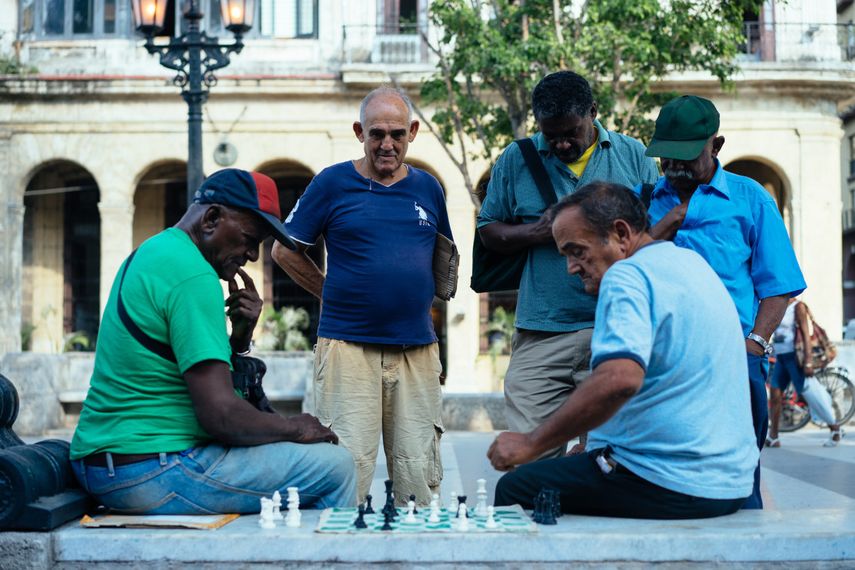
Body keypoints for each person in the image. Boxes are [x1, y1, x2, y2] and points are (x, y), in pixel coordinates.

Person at [69, 169, 356, 514]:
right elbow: (221, 415)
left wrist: (240, 335)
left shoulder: (153, 251)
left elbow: (187, 374)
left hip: (107, 463)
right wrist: (295, 427)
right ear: (211, 218)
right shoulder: (195, 276)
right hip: (152, 469)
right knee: (335, 466)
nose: (252, 255)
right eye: (250, 238)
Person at [488, 182, 758, 519]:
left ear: (620, 234)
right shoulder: (689, 263)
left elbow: (620, 380)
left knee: (516, 488)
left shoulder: (626, 275)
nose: (571, 267)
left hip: (673, 483)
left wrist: (531, 443)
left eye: (577, 251)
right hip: (730, 483)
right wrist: (597, 446)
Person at [271, 87, 452, 506]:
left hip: (417, 351)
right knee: (345, 474)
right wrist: (329, 293)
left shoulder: (429, 189)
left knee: (418, 476)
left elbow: (443, 262)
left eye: (396, 134)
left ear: (413, 133)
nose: (386, 144)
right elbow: (283, 250)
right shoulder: (332, 182)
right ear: (359, 132)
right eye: (376, 134)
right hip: (347, 350)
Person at [477, 71, 659, 459]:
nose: (561, 142)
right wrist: (539, 233)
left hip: (614, 325)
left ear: (593, 112)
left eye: (571, 132)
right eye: (550, 133)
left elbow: (652, 238)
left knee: (614, 459)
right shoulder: (516, 159)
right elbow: (488, 230)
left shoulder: (633, 156)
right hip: (542, 330)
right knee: (529, 459)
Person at [641, 95, 806, 509]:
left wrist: (754, 345)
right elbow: (622, 271)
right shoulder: (640, 202)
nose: (674, 167)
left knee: (738, 477)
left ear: (716, 146)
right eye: (667, 157)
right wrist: (666, 224)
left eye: (685, 156)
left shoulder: (751, 200)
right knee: (667, 479)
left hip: (736, 357)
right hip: (662, 363)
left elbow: (779, 285)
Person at [767, 299, 844, 447]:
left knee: (809, 394)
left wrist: (808, 362)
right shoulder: (778, 305)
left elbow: (805, 335)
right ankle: (774, 436)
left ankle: (835, 428)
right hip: (781, 358)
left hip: (795, 358)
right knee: (775, 393)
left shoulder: (798, 307)